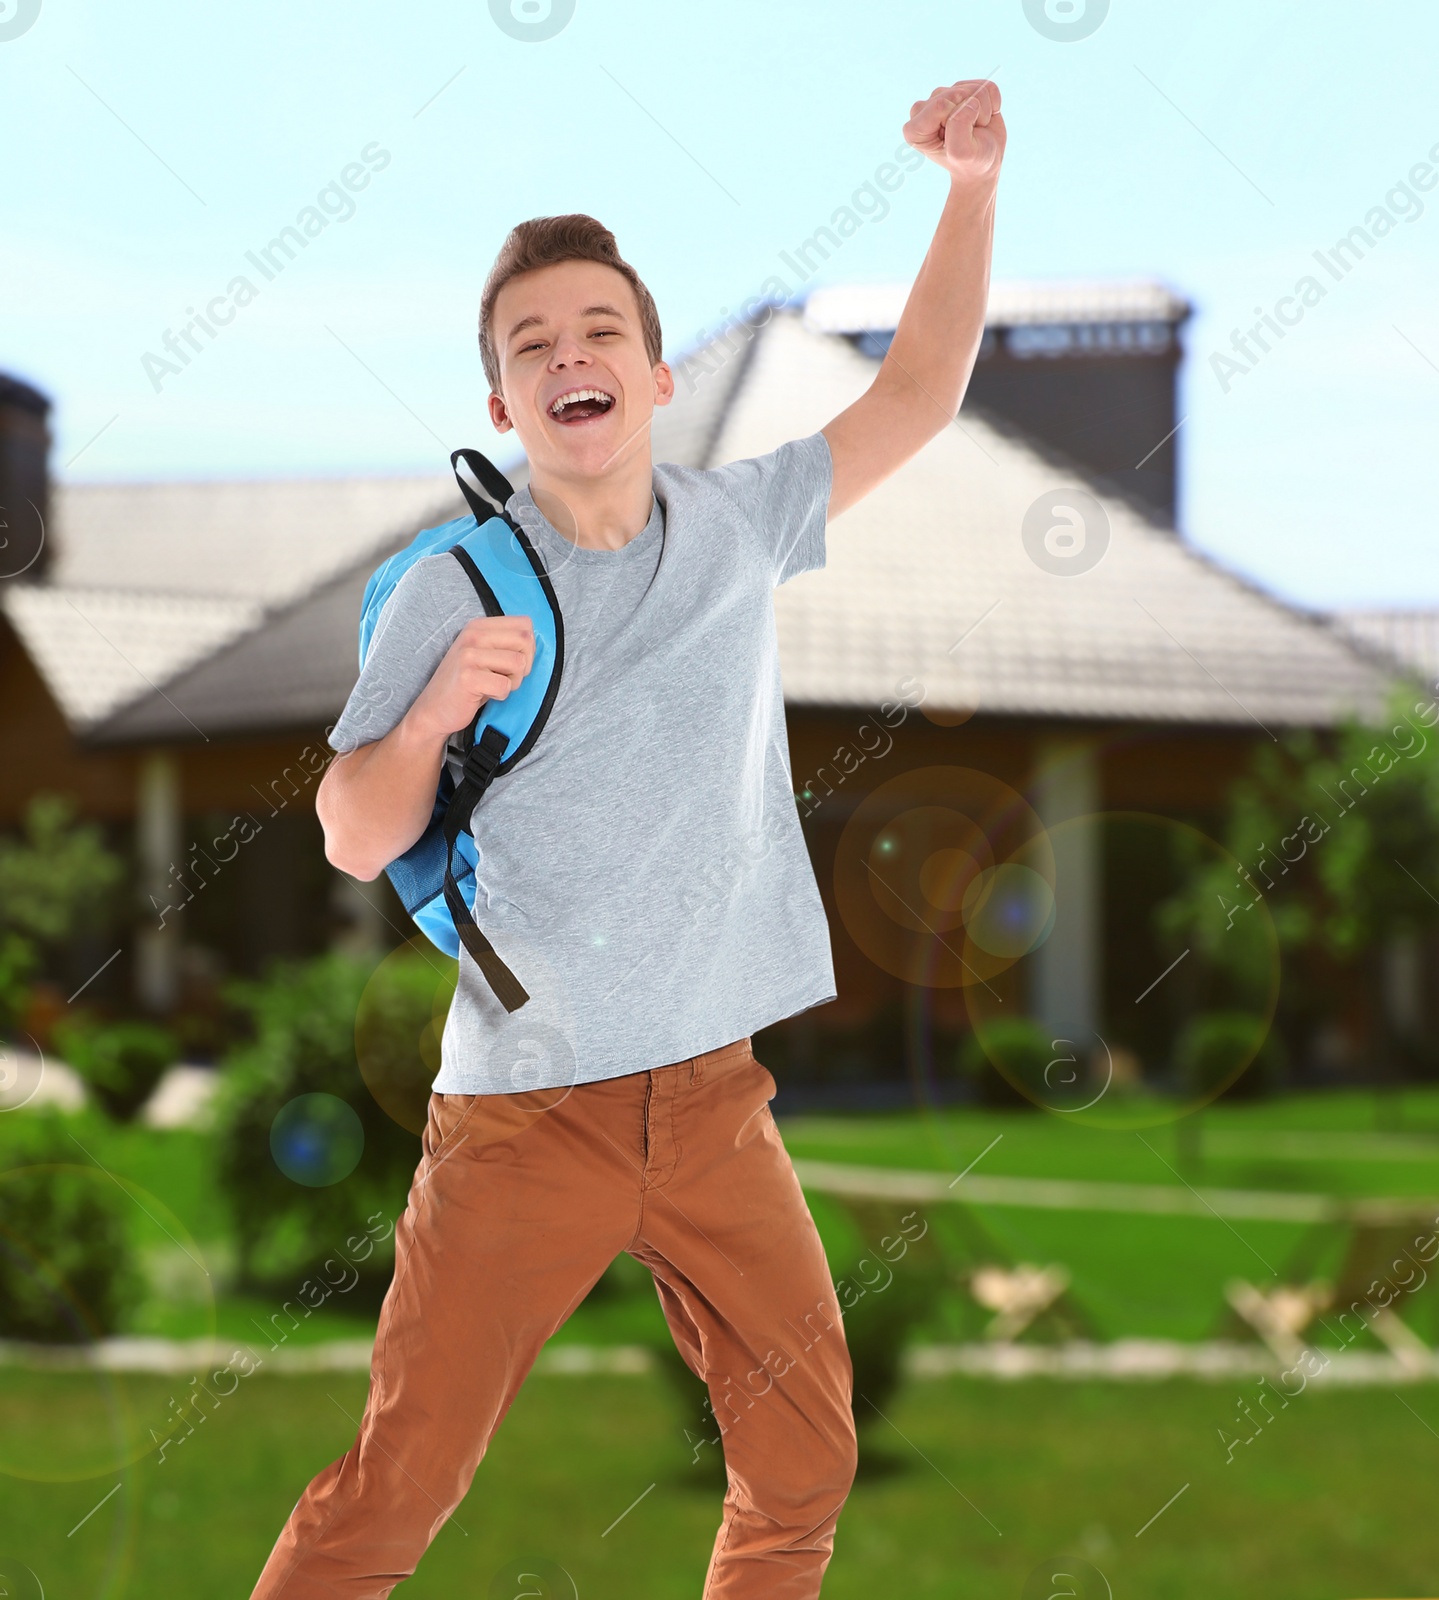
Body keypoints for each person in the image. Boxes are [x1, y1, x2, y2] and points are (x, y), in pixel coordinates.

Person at [251, 77, 1005, 1600]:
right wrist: (420, 725)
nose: (567, 357)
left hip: (716, 1099)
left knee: (802, 1467)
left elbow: (919, 391)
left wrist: (971, 191)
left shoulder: (739, 526)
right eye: (531, 348)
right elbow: (348, 832)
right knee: (401, 1485)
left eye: (597, 332)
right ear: (502, 408)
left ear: (655, 376)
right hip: (529, 1115)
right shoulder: (455, 588)